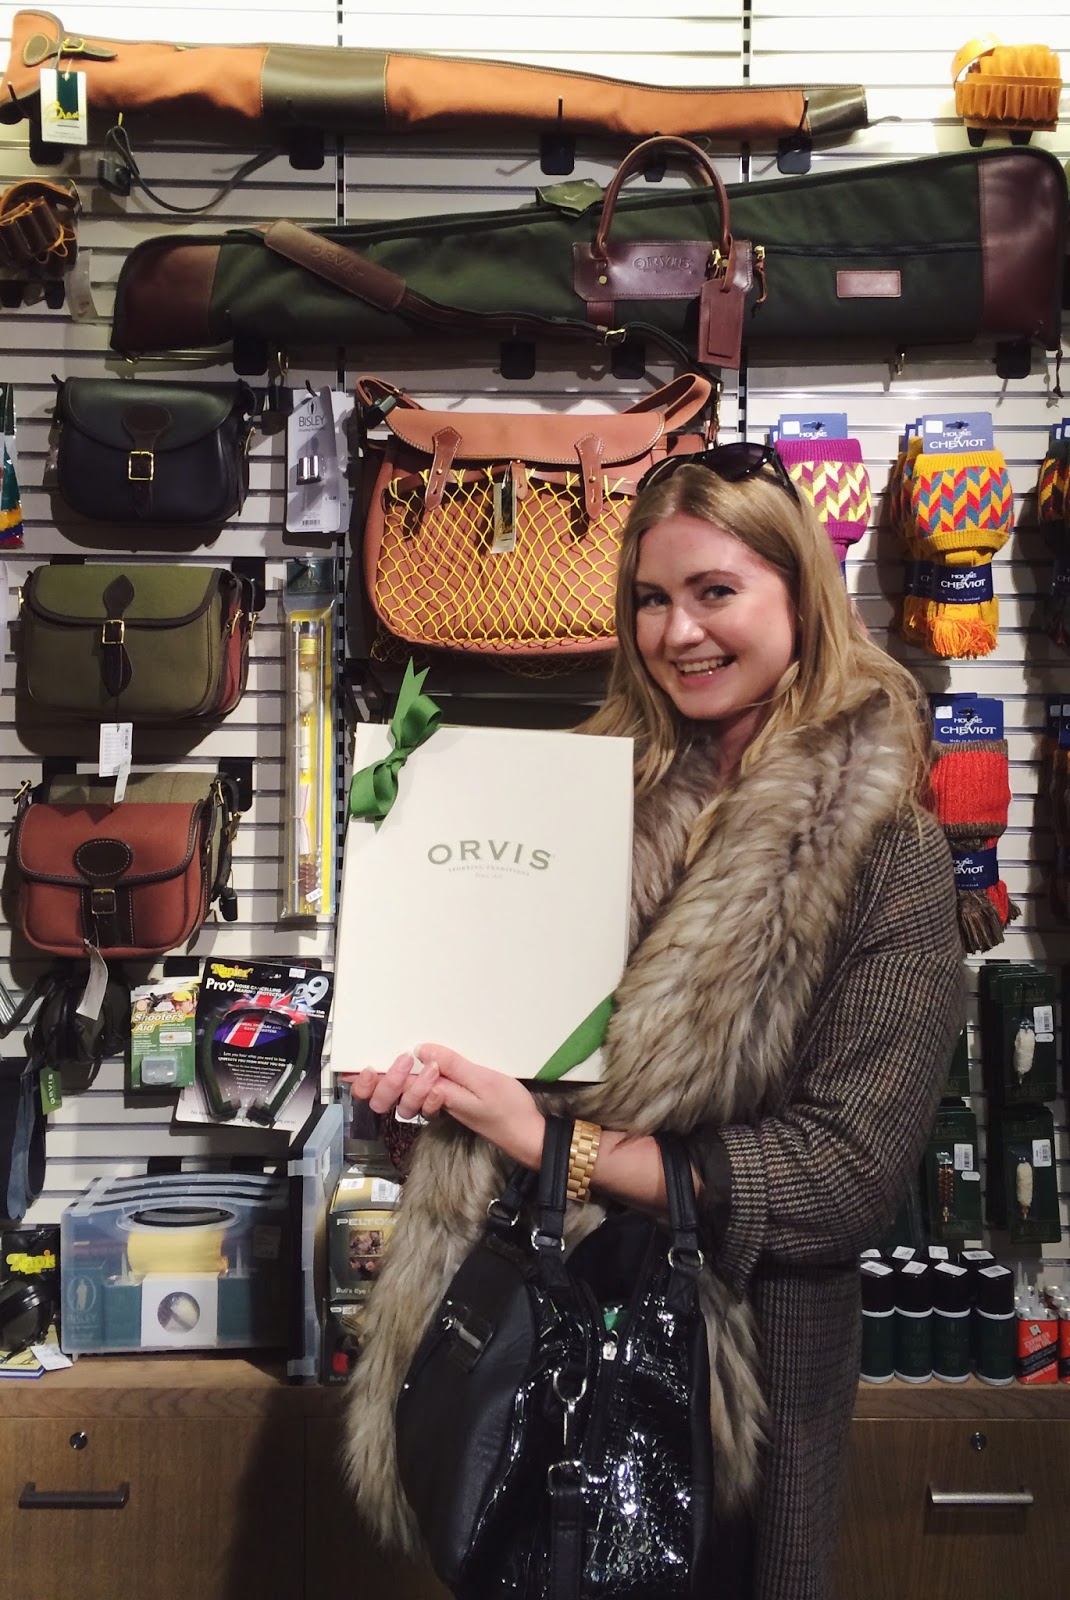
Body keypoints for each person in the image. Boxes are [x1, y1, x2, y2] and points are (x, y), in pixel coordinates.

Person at [342, 445, 966, 1600]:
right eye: (649, 598)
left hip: (733, 1369)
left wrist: (549, 1143)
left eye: (713, 591)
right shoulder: (582, 809)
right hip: (527, 1324)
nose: (676, 632)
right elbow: (509, 1053)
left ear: (799, 593)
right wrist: (423, 1085)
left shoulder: (885, 850)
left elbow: (843, 1174)